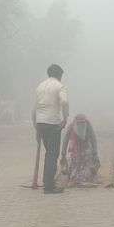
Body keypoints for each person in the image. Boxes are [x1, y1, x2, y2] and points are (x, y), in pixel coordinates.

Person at [33, 64, 69, 194]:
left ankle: (47, 181)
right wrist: (65, 118)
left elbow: (34, 109)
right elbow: (64, 102)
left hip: (41, 123)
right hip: (53, 123)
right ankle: (48, 186)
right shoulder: (60, 86)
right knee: (52, 155)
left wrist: (36, 127)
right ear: (59, 75)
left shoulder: (40, 87)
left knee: (49, 153)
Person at [60, 114, 100, 186]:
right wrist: (63, 154)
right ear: (76, 122)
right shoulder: (72, 126)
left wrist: (95, 153)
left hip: (86, 148)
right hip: (76, 148)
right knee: (76, 162)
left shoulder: (88, 126)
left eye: (82, 123)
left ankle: (84, 178)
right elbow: (66, 140)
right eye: (79, 123)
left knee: (86, 162)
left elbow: (93, 140)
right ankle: (76, 178)